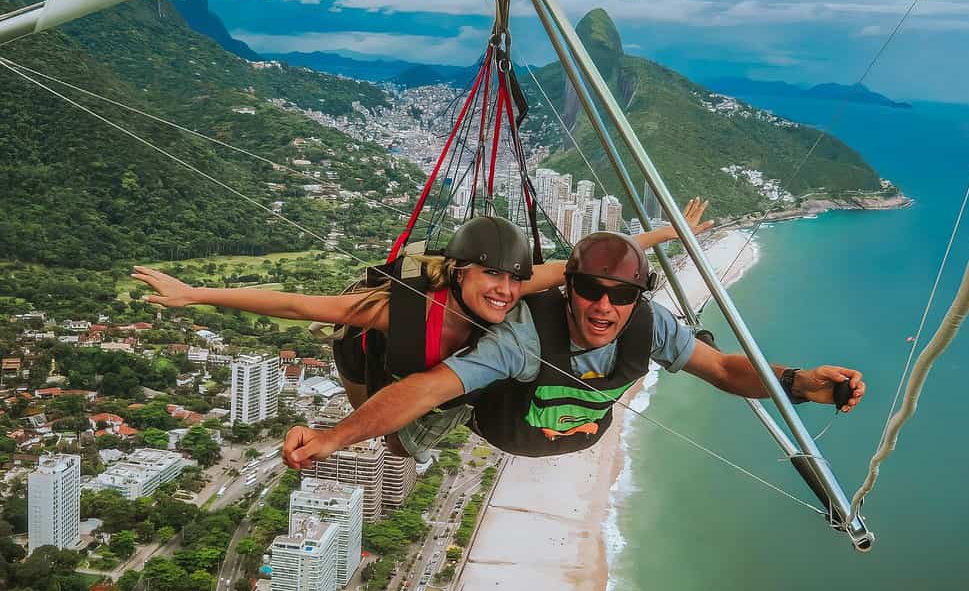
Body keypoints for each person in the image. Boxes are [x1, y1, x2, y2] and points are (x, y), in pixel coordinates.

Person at [133, 200, 713, 457]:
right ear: (461, 271)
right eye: (492, 277)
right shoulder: (408, 310)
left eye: (514, 280)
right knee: (399, 441)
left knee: (492, 384)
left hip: (462, 384)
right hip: (405, 378)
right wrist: (195, 295)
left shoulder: (524, 287)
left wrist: (671, 234)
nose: (506, 292)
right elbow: (297, 306)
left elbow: (600, 264)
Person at [282, 231, 865, 467]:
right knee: (406, 439)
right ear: (569, 289)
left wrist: (800, 383)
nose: (604, 307)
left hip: (577, 434)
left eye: (621, 296)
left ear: (638, 298)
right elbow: (429, 386)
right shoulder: (526, 335)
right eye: (589, 290)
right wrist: (334, 437)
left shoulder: (650, 324)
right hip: (507, 425)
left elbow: (722, 368)